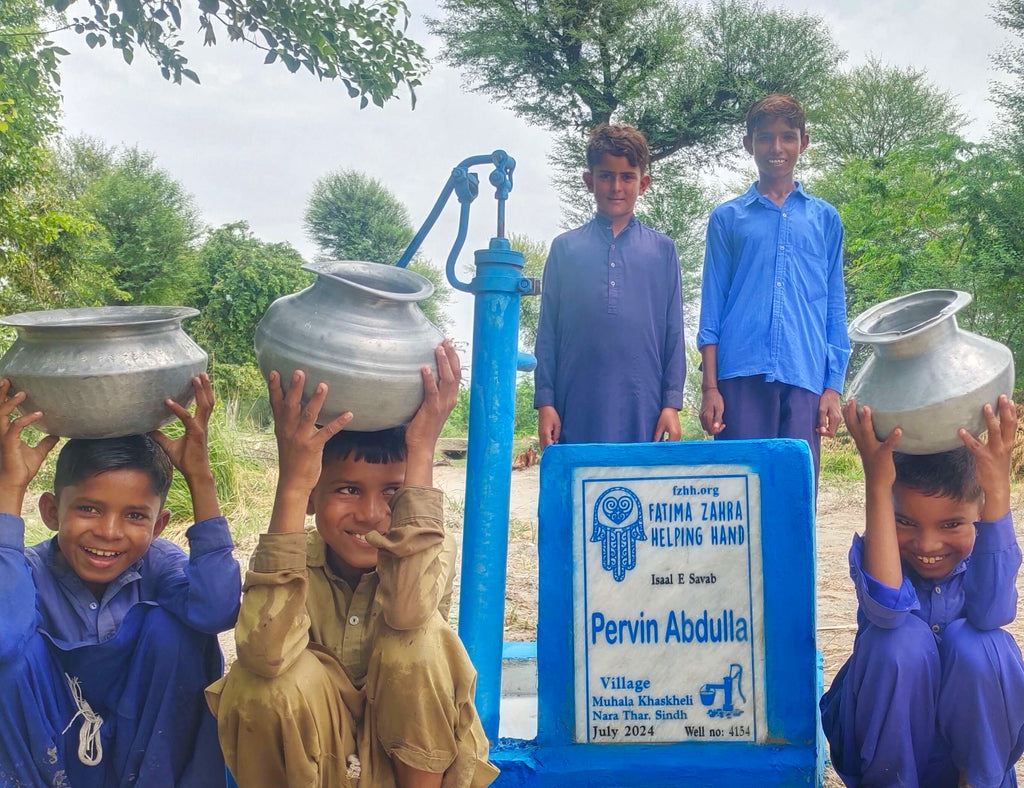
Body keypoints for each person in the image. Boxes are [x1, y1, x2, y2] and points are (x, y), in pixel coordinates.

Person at [208, 341, 498, 788]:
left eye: (392, 493)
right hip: (319, 767)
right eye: (347, 490)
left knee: (416, 642)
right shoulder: (291, 559)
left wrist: (421, 447)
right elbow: (264, 654)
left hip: (407, 767)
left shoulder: (430, 550)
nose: (369, 513)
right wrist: (291, 484)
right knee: (258, 681)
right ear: (313, 496)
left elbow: (407, 611)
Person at [0, 374, 241, 787]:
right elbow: (3, 637)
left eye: (134, 516)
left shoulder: (159, 564)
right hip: (54, 759)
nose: (109, 532)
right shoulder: (27, 570)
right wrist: (8, 488)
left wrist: (201, 480)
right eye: (89, 509)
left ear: (160, 523)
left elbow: (217, 611)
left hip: (147, 756)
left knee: (176, 632)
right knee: (13, 661)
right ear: (52, 512)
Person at [820, 396, 1024, 787]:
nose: (928, 545)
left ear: (979, 515)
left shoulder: (982, 560)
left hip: (967, 762)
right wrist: (877, 483)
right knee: (897, 641)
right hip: (884, 759)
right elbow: (887, 611)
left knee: (981, 642)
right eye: (904, 521)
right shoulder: (881, 559)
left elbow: (993, 611)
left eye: (951, 525)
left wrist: (996, 490)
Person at [697, 93, 849, 479]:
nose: (776, 148)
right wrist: (710, 388)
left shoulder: (825, 220)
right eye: (765, 137)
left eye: (787, 136)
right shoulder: (728, 218)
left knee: (795, 495)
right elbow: (712, 307)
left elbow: (834, 308)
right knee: (739, 497)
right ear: (749, 144)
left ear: (804, 142)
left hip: (804, 374)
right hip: (739, 377)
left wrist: (832, 387)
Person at [533, 122, 686, 447]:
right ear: (590, 181)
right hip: (576, 405)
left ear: (643, 183)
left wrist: (671, 404)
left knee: (642, 490)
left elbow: (674, 332)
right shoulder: (565, 249)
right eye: (606, 175)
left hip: (643, 406)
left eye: (627, 177)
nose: (616, 186)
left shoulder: (662, 250)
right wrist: (546, 402)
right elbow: (547, 332)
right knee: (578, 492)